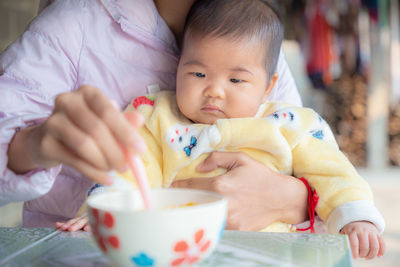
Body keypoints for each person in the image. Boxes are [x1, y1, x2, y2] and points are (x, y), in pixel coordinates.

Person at [60, 0, 385, 259]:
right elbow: (130, 169)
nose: (214, 90)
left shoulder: (290, 124)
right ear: (178, 65)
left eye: (235, 80)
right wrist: (108, 210)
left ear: (269, 86)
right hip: (182, 252)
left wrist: (356, 217)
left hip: (272, 254)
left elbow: (332, 173)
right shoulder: (157, 117)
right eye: (198, 74)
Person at [1, 0, 308, 236]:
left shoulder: (255, 36)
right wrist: (34, 145)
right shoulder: (73, 24)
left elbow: (310, 153)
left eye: (236, 80)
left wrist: (293, 198)